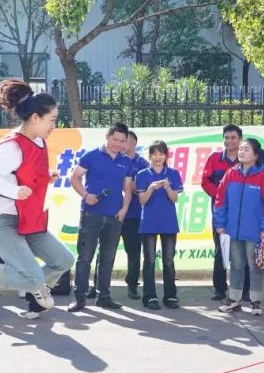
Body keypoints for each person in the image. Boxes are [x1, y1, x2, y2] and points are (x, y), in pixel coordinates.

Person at [0, 79, 73, 321]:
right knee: (32, 276)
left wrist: (45, 176)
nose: (55, 125)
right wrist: (14, 190)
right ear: (35, 118)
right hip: (4, 222)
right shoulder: (12, 146)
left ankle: (35, 288)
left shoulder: (39, 141)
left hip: (29, 219)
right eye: (52, 119)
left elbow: (25, 173)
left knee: (64, 260)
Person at [67, 122, 135, 312]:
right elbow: (75, 177)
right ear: (107, 137)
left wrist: (124, 209)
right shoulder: (92, 155)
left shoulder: (126, 161)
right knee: (85, 257)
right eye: (115, 139)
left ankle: (103, 296)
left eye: (122, 141)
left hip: (114, 216)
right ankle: (79, 298)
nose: (118, 144)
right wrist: (86, 195)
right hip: (91, 214)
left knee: (107, 258)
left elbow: (127, 188)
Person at [213, 138, 264, 316]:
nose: (241, 151)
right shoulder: (230, 174)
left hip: (254, 232)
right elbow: (220, 200)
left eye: (246, 149)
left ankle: (256, 302)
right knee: (236, 265)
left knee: (255, 267)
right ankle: (234, 300)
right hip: (232, 232)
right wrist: (220, 223)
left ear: (256, 155)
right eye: (241, 149)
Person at [202, 125, 249, 302]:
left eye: (233, 137)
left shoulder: (247, 158)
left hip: (242, 213)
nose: (230, 141)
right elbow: (205, 181)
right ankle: (220, 289)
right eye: (227, 137)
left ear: (240, 139)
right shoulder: (214, 158)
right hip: (220, 213)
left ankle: (245, 290)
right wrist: (221, 195)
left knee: (244, 250)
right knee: (221, 250)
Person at [134, 140, 183, 309]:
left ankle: (170, 296)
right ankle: (150, 297)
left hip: (168, 223)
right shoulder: (142, 174)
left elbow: (174, 199)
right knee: (149, 260)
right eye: (154, 154)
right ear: (149, 156)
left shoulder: (173, 173)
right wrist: (151, 188)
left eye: (161, 153)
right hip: (148, 223)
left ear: (166, 156)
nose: (158, 157)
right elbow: (142, 200)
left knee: (168, 261)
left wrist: (168, 188)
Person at [121, 130, 150, 300]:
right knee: (105, 251)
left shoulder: (143, 164)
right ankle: (98, 286)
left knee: (134, 251)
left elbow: (142, 189)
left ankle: (132, 285)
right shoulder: (115, 160)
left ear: (133, 143)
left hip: (134, 214)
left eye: (125, 140)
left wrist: (131, 185)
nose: (121, 143)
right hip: (112, 212)